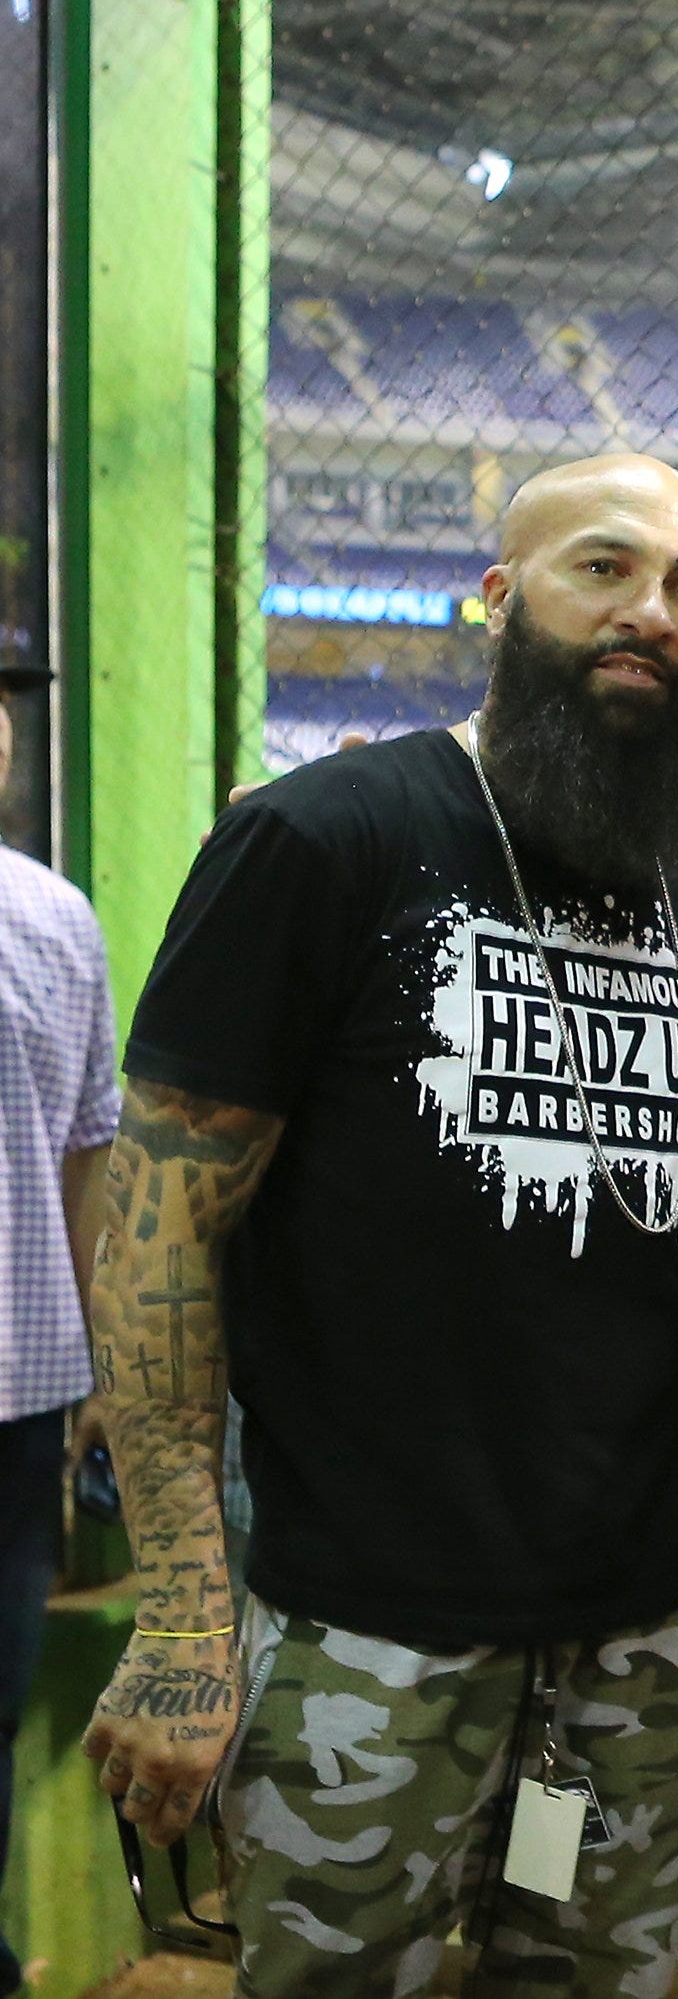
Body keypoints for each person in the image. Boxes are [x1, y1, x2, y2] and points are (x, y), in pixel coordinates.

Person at [78, 453, 678, 1996]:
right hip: (370, 1632)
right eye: (603, 568)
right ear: (498, 598)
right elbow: (159, 1237)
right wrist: (189, 1610)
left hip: (638, 1637)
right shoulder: (328, 839)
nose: (648, 614)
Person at [0, 677, 117, 1995]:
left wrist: (98, 1364)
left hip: (19, 1385)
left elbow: (93, 1151)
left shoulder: (53, 918)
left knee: (1, 1694)